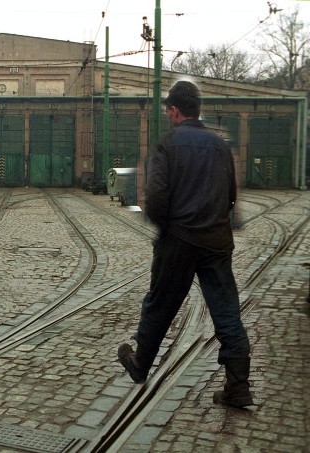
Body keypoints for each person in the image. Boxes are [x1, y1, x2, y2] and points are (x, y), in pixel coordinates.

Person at [117, 80, 254, 408]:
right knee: (226, 311)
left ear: (174, 111)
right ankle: (239, 386)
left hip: (179, 240)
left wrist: (164, 226)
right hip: (217, 241)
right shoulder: (220, 146)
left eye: (168, 110)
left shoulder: (168, 145)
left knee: (159, 304)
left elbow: (157, 198)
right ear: (198, 110)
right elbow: (232, 197)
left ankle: (140, 364)